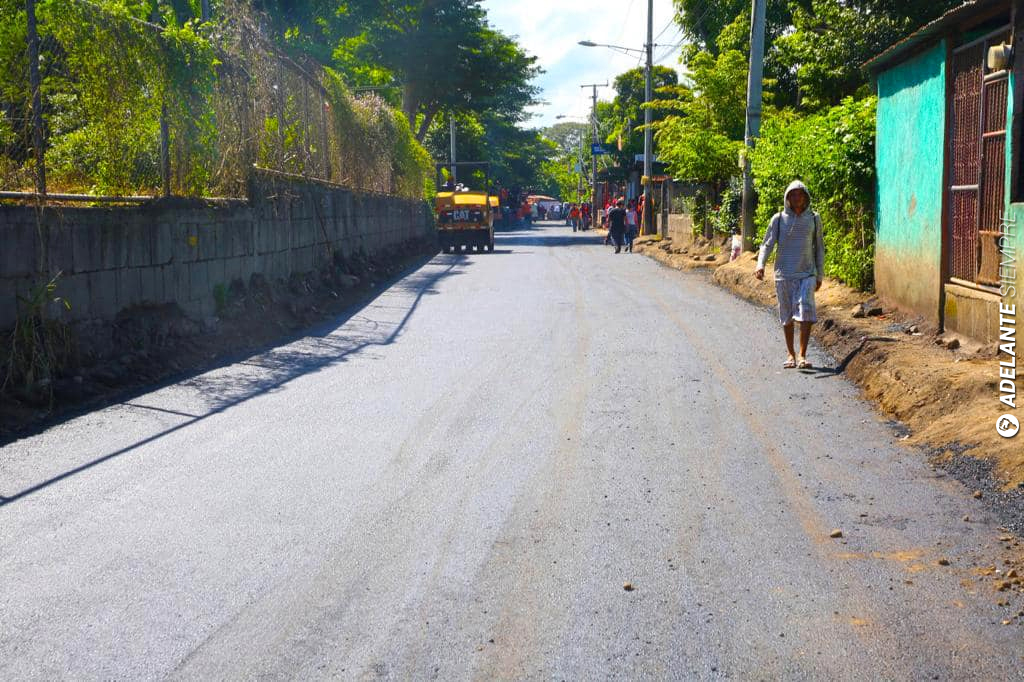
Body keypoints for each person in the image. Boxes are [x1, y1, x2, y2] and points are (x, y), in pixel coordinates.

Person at [754, 180, 825, 370]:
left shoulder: (814, 218)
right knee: (787, 316)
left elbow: (819, 248)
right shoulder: (778, 219)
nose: (796, 198)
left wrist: (820, 275)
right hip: (784, 274)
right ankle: (790, 354)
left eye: (800, 194)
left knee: (806, 311)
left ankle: (802, 355)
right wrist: (760, 265)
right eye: (792, 195)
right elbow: (767, 244)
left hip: (807, 273)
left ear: (806, 197)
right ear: (787, 198)